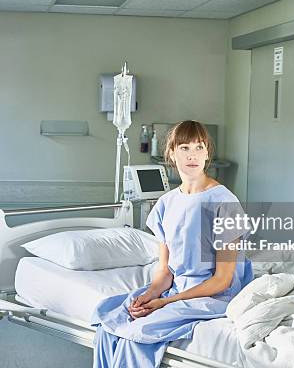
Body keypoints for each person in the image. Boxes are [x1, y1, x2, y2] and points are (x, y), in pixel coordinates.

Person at [91, 120, 253, 368]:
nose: (192, 155)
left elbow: (222, 280)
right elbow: (166, 271)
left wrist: (165, 303)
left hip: (213, 295)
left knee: (135, 337)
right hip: (175, 290)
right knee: (109, 325)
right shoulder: (166, 204)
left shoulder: (224, 202)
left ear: (208, 152)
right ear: (171, 153)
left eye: (199, 147)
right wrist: (148, 296)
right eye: (184, 148)